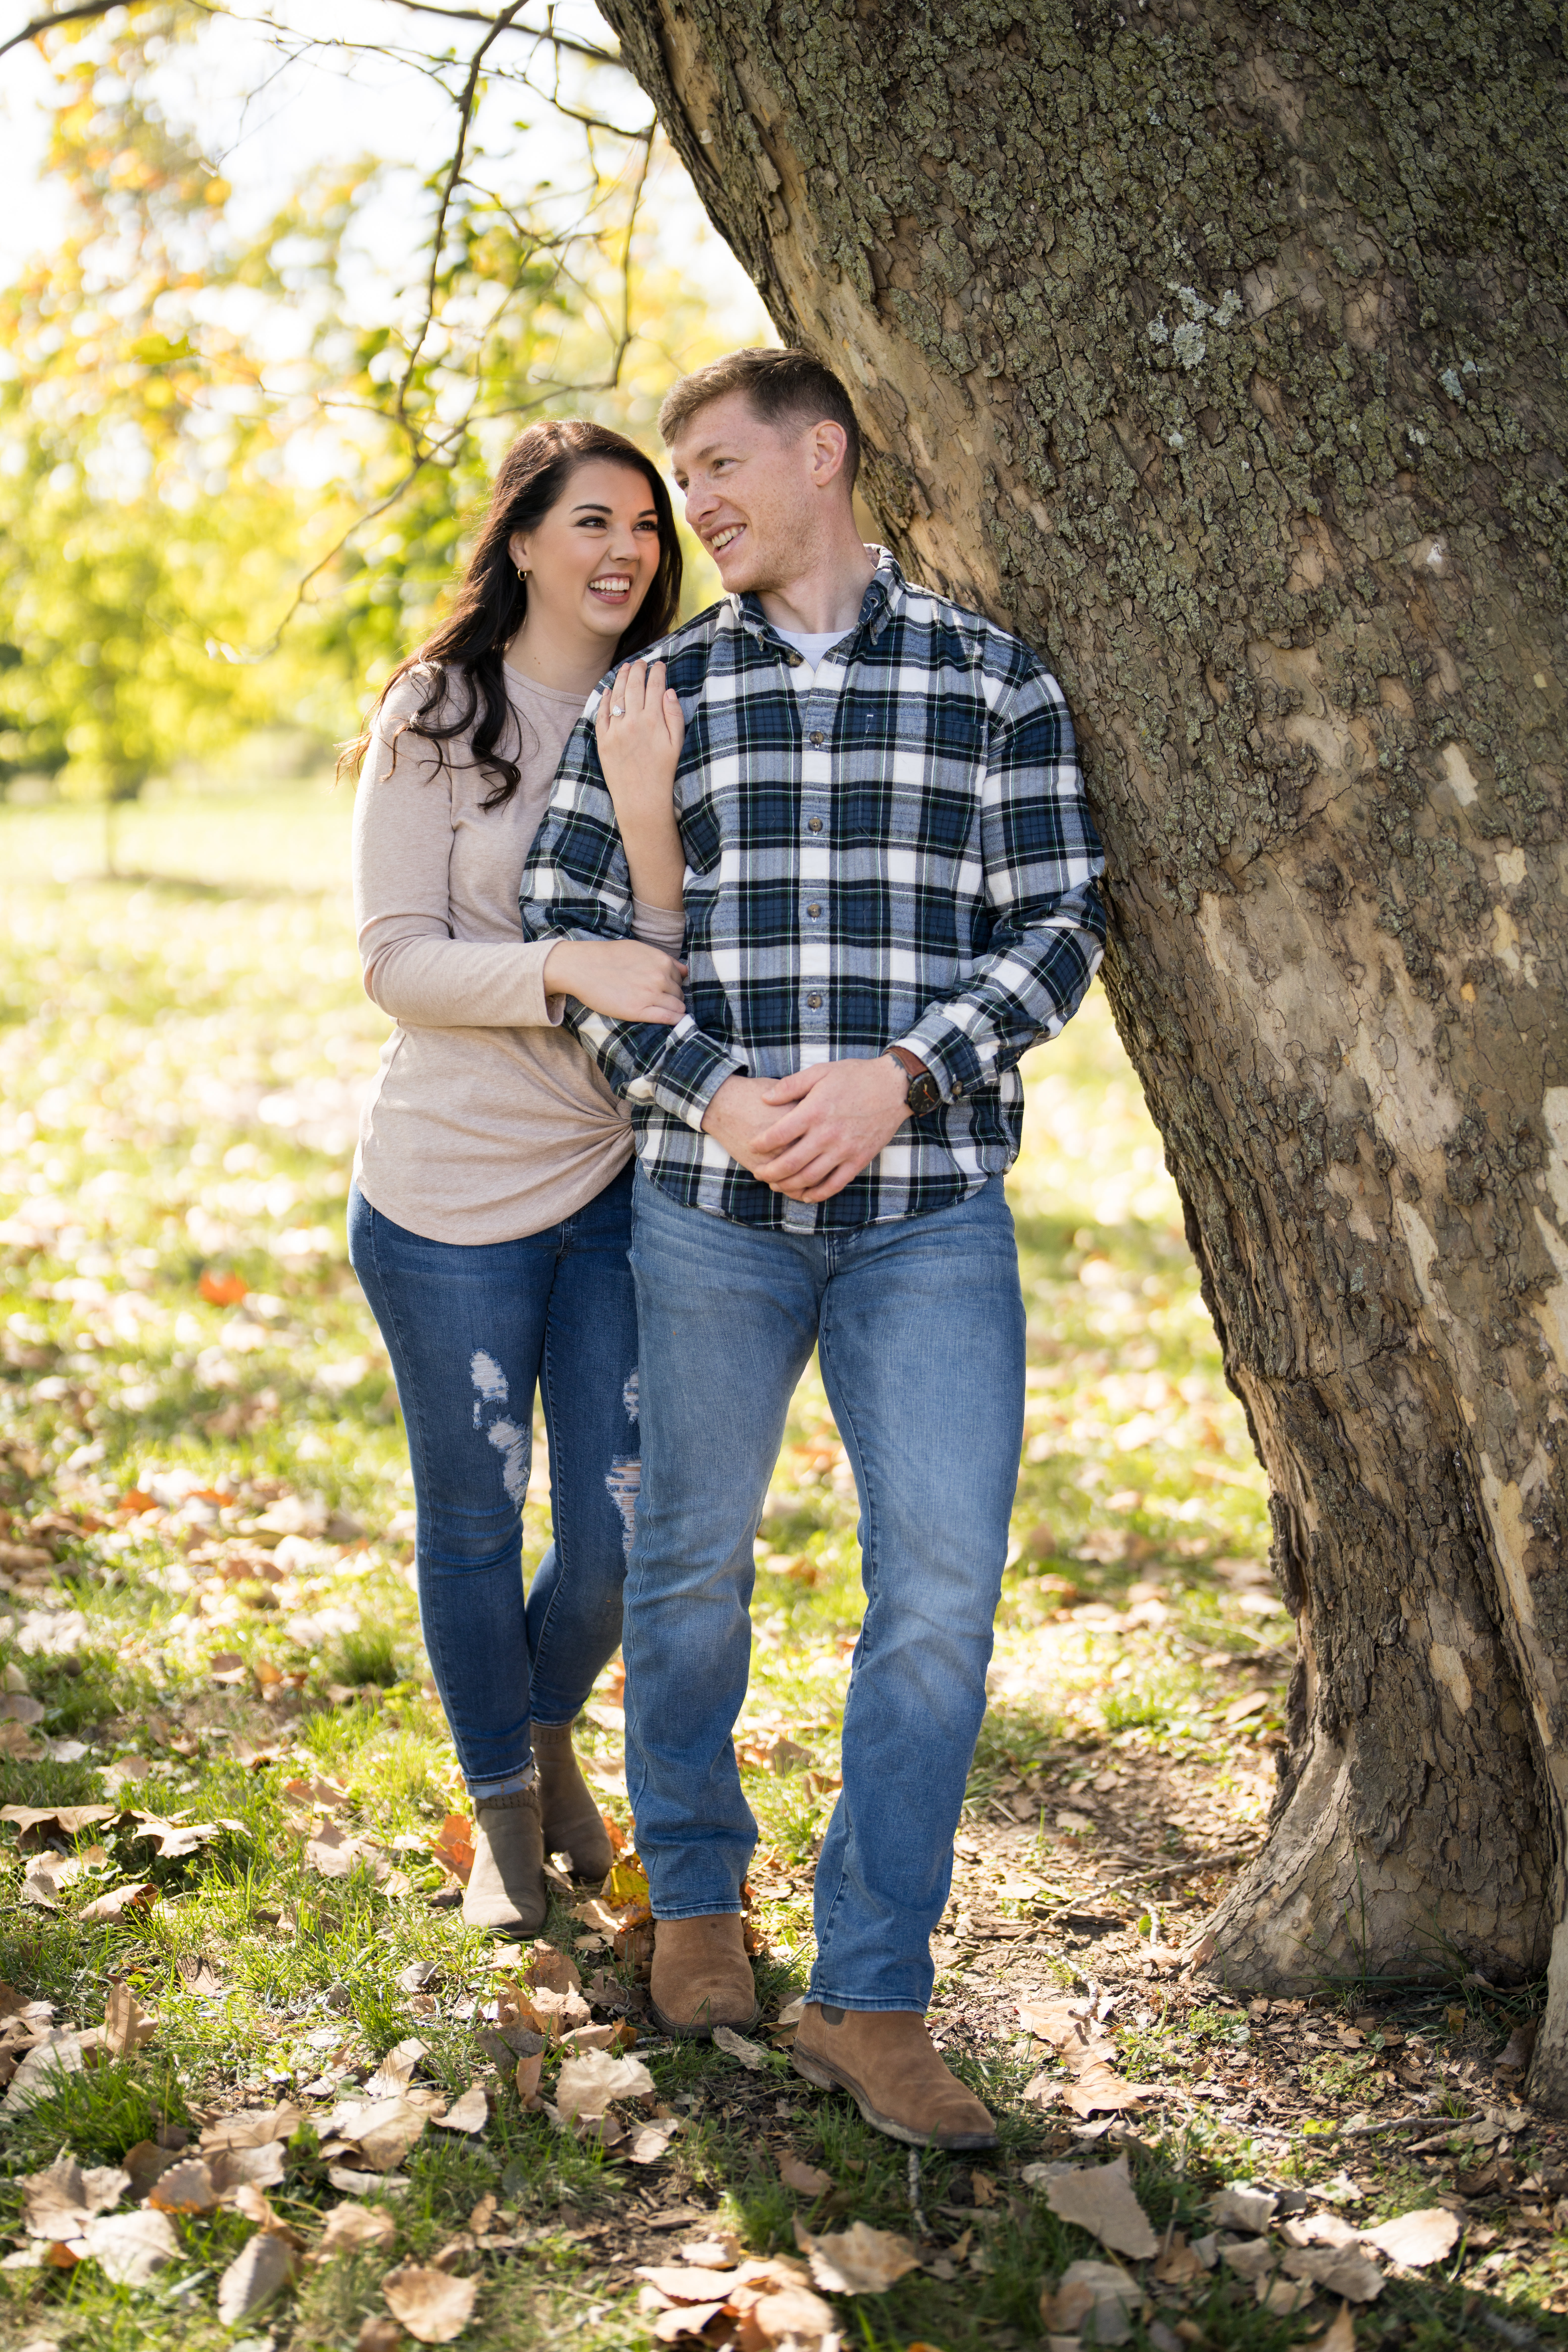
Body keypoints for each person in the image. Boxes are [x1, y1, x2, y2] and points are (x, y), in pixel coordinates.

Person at [521, 349, 1106, 2148]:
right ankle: (694, 1903)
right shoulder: (661, 690)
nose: (692, 507)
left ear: (825, 452)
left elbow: (1062, 924)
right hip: (709, 1217)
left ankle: (874, 1990)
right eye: (680, 477)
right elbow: (570, 920)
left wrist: (901, 1077)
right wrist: (712, 1090)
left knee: (938, 1601)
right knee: (687, 1571)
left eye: (715, 467)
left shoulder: (994, 679)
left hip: (929, 1221)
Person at [345, 417, 692, 1936]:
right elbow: (395, 964)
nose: (627, 550)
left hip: (623, 1174)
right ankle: (501, 1816)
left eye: (649, 527)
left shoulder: (676, 702)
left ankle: (547, 1724)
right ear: (528, 537)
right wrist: (568, 969)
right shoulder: (438, 710)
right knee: (477, 1520)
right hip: (446, 1195)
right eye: (595, 520)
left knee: (620, 1528)